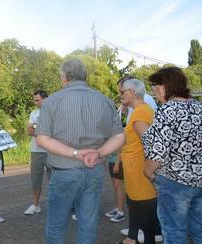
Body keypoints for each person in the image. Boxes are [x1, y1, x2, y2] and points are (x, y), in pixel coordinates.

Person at [36, 59, 126, 244]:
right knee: (88, 223)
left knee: (56, 224)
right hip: (94, 171)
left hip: (63, 172)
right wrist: (99, 153)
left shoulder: (52, 102)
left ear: (64, 77)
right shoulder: (105, 101)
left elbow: (42, 139)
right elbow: (119, 137)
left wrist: (76, 154)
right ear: (85, 76)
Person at [143, 67, 202, 244]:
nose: (154, 92)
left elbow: (157, 152)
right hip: (199, 180)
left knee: (174, 232)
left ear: (163, 86)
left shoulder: (167, 110)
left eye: (154, 87)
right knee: (199, 229)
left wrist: (149, 172)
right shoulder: (199, 108)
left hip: (174, 183)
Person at [117, 79, 158, 244]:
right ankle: (133, 239)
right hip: (135, 172)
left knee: (146, 217)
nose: (121, 95)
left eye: (122, 92)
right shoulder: (139, 111)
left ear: (132, 92)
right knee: (141, 212)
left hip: (140, 173)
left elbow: (150, 145)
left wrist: (150, 171)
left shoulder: (141, 112)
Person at [24, 90, 51, 215]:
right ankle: (35, 205)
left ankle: (56, 205)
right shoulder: (33, 113)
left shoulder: (53, 112)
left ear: (45, 99)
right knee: (36, 180)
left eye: (37, 100)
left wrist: (36, 127)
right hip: (36, 151)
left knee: (55, 180)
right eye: (34, 100)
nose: (35, 103)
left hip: (51, 151)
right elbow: (29, 131)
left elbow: (55, 131)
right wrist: (43, 131)